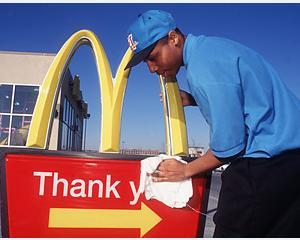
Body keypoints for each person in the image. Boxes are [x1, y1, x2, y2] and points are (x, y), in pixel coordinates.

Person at [125, 9, 300, 237]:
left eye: (153, 56)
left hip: (263, 167)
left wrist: (185, 170)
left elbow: (229, 146)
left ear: (173, 38)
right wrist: (194, 99)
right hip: (290, 165)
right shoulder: (213, 51)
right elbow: (247, 98)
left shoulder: (202, 68)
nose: (151, 68)